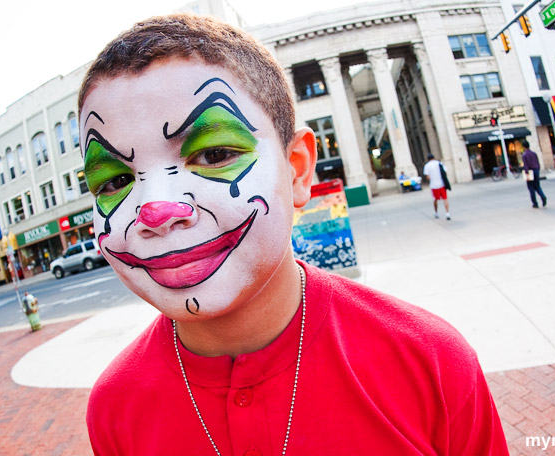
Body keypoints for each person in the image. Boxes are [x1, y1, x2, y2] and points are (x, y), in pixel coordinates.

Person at [81, 14, 508, 455]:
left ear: (298, 168)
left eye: (214, 153)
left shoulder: (431, 363)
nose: (157, 211)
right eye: (114, 183)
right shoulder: (114, 409)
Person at [422, 153, 451, 220]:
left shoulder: (427, 166)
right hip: (442, 184)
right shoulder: (439, 163)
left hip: (434, 186)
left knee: (435, 199)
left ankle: (436, 212)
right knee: (445, 199)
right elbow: (445, 172)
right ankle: (447, 213)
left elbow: (428, 177)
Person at [521, 140, 547, 208]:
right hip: (536, 170)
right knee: (537, 186)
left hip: (530, 171)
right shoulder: (533, 153)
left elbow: (526, 165)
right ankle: (543, 196)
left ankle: (535, 203)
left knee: (531, 188)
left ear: (524, 147)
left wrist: (526, 172)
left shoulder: (524, 155)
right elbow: (538, 162)